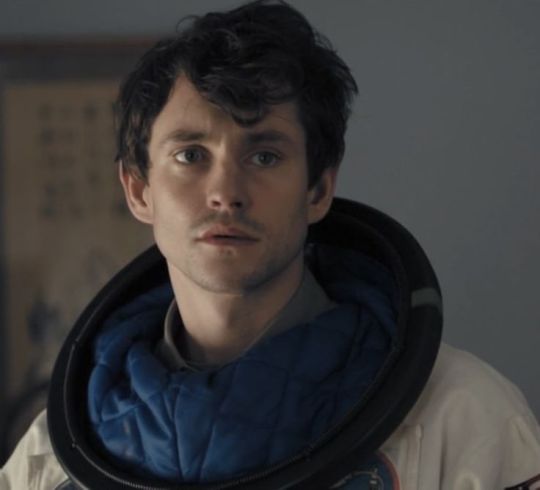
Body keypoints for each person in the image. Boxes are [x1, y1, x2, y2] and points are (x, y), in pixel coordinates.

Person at [2, 1, 540, 488]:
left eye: (264, 156)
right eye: (191, 155)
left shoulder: (461, 418)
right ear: (139, 190)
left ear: (318, 189)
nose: (225, 192)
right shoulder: (52, 459)